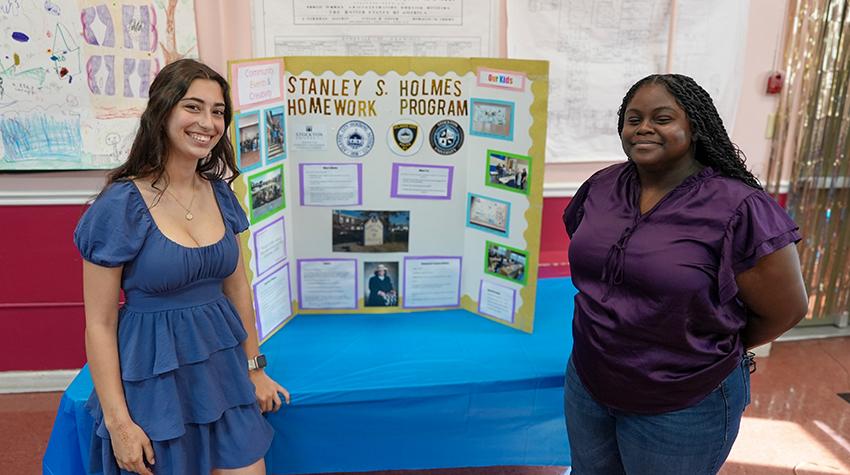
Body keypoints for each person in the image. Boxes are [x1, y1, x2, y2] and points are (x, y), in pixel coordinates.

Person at [562, 74, 808, 475]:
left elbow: (786, 309)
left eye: (662, 118)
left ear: (694, 128)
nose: (643, 128)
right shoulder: (602, 186)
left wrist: (702, 346)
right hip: (589, 381)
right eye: (633, 119)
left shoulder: (739, 207)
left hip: (683, 400)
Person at [74, 58, 289, 475]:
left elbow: (238, 289)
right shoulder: (119, 205)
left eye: (218, 111)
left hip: (223, 370)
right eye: (193, 107)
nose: (207, 122)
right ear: (163, 111)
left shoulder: (222, 195)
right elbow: (99, 323)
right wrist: (119, 424)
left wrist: (254, 368)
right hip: (153, 377)